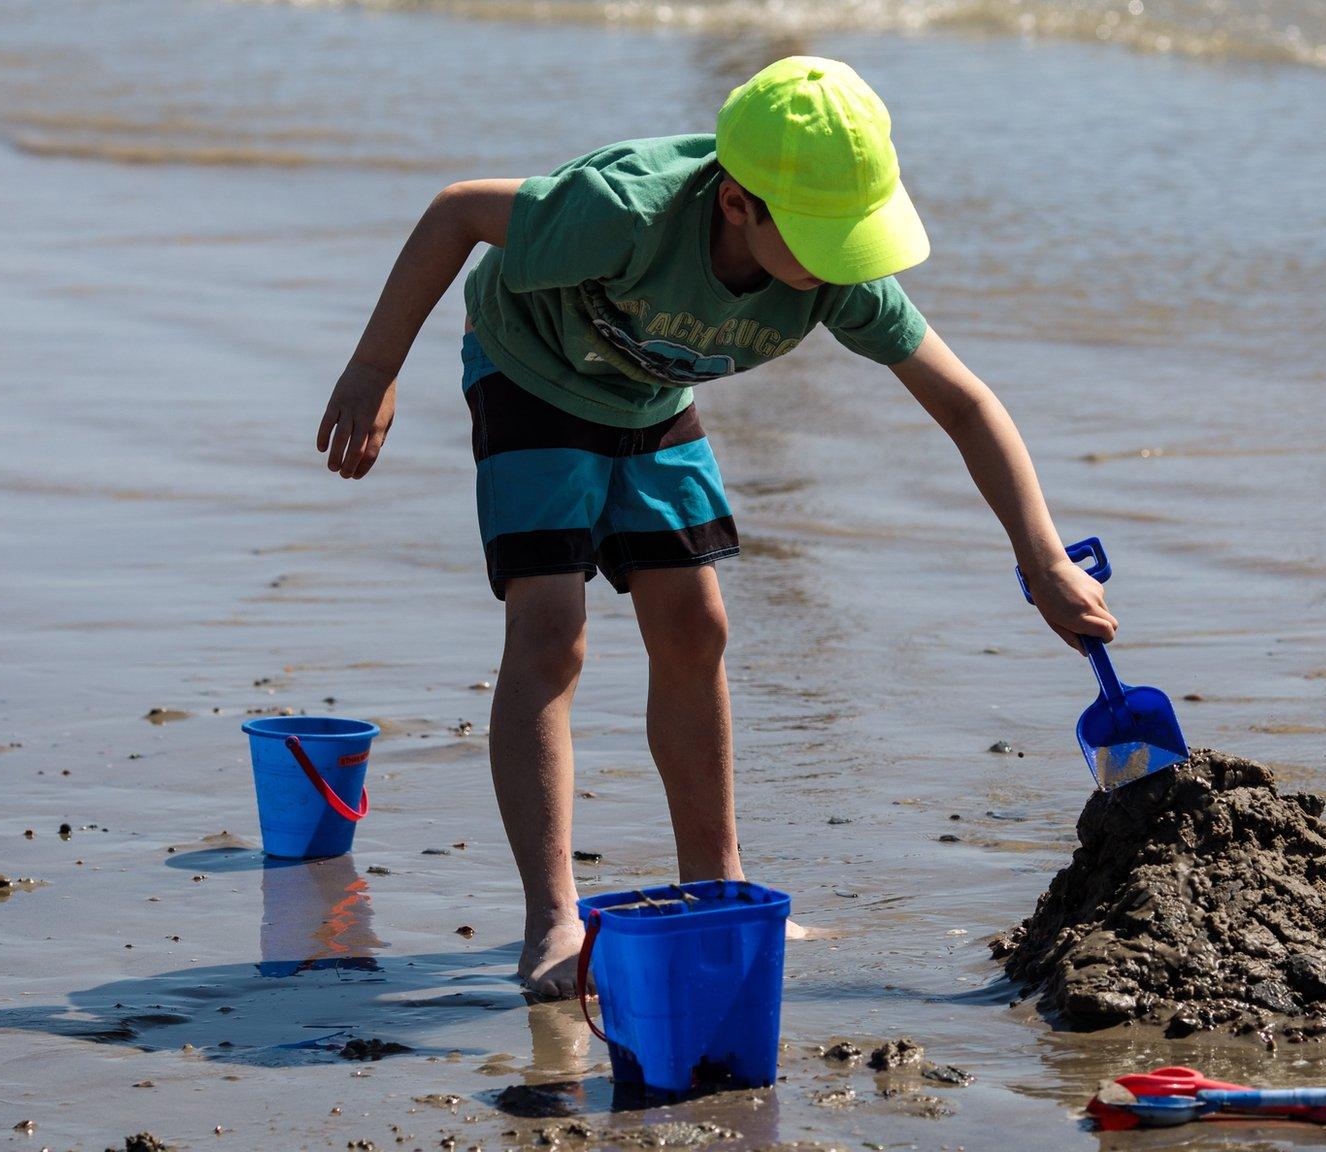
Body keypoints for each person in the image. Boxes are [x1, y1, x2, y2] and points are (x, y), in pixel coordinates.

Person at [316, 57, 1117, 997]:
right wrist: (374, 367)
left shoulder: (833, 278)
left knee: (697, 626)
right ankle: (552, 918)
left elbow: (967, 405)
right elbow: (456, 211)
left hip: (652, 392)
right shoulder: (622, 210)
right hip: (529, 368)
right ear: (738, 204)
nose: (843, 263)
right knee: (552, 635)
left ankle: (718, 885)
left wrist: (1045, 558)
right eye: (825, 238)